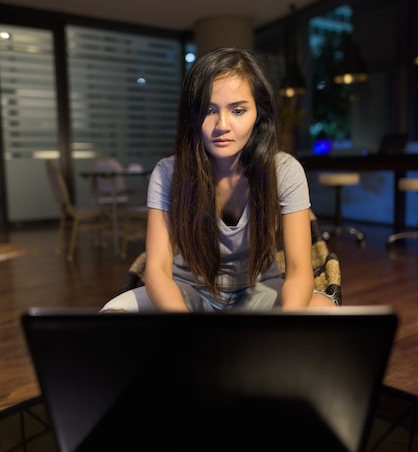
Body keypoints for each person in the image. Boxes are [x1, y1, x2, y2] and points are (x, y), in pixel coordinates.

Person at [101, 47, 336, 313]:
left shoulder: (283, 170)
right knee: (111, 315)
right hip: (186, 290)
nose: (222, 124)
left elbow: (299, 270)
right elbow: (157, 270)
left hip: (259, 291)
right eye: (209, 110)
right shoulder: (168, 172)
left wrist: (281, 328)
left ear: (258, 113)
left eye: (238, 110)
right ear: (193, 115)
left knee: (324, 309)